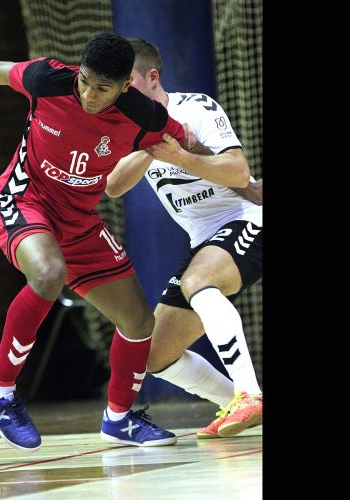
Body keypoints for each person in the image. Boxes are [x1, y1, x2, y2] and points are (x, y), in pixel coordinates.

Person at [0, 32, 215, 450]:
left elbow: (187, 139)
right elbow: (0, 72)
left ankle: (120, 419)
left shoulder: (144, 116)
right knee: (49, 274)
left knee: (139, 324)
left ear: (126, 85)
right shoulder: (48, 78)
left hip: (80, 222)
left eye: (102, 87)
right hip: (23, 200)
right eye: (86, 80)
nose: (89, 94)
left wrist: (237, 180)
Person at [106, 38, 262, 439]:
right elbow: (114, 186)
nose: (120, 93)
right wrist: (150, 143)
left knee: (198, 282)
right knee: (156, 354)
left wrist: (181, 156)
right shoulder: (127, 130)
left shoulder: (196, 107)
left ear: (152, 77)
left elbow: (239, 173)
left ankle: (250, 393)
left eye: (127, 83)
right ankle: (238, 401)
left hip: (245, 219)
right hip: (205, 240)